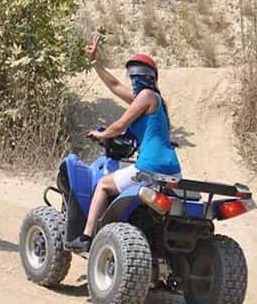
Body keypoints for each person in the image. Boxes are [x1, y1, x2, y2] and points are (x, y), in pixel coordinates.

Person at [64, 35, 181, 252]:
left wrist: (103, 135)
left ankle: (87, 236)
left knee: (103, 185)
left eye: (136, 76)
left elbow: (119, 125)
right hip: (172, 170)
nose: (134, 80)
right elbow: (114, 85)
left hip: (149, 167)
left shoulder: (146, 96)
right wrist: (95, 62)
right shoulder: (156, 100)